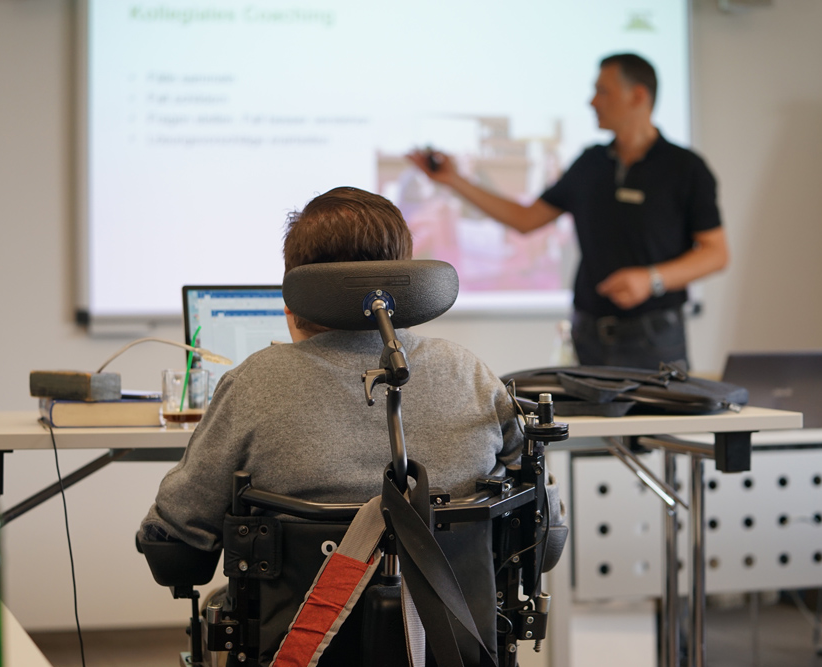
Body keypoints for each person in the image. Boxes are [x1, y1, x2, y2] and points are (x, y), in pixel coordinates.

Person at [139, 186, 536, 552]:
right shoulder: (467, 372)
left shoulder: (255, 382)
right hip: (453, 624)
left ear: (296, 294)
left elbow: (177, 533)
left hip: (303, 627)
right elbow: (543, 531)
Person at [407, 53, 729, 369]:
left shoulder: (685, 168)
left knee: (659, 424)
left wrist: (652, 279)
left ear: (638, 96)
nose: (593, 102)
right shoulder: (590, 163)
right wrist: (452, 180)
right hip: (588, 334)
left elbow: (716, 253)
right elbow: (526, 219)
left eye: (603, 91)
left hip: (656, 337)